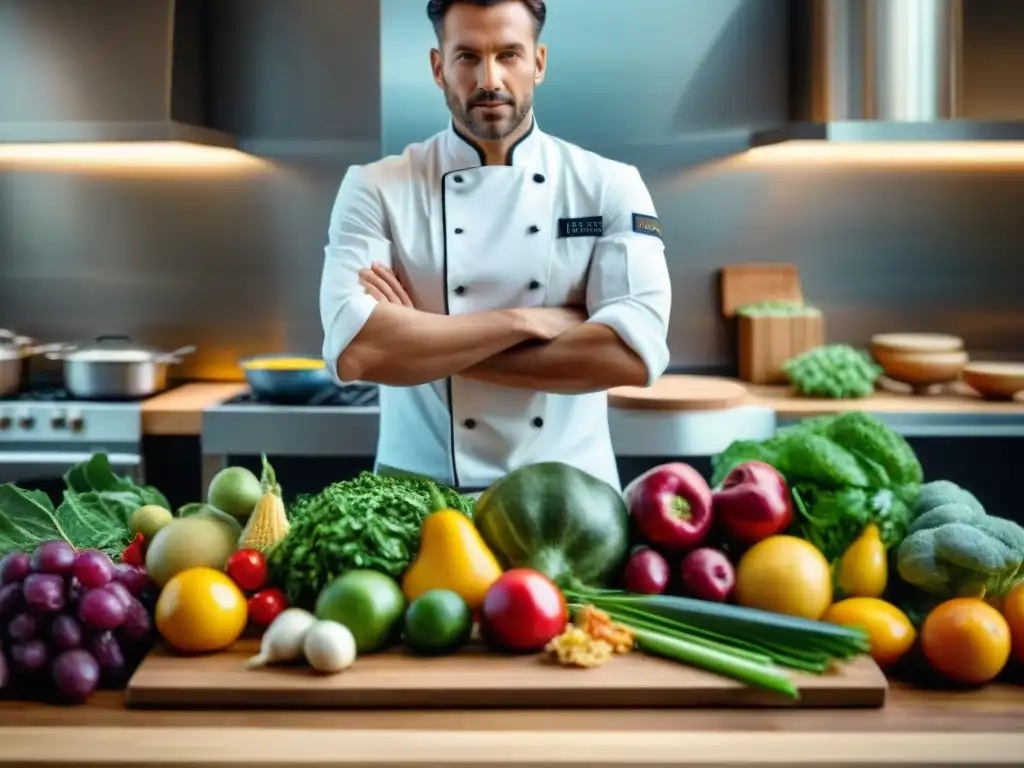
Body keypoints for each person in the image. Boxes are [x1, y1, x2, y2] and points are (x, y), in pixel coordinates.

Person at [319, 0, 671, 494]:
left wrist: (425, 342)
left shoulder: (609, 186)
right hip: (417, 507)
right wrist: (525, 321)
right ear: (438, 68)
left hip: (572, 504)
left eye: (509, 54)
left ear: (539, 62)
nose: (489, 79)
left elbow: (632, 357)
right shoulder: (375, 188)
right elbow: (356, 352)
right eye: (467, 56)